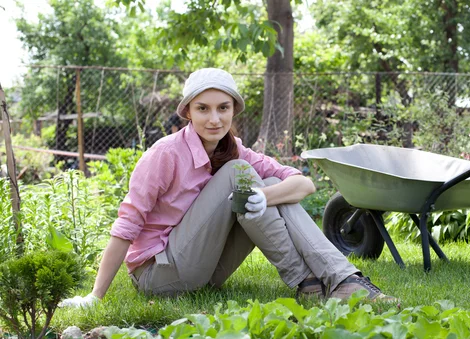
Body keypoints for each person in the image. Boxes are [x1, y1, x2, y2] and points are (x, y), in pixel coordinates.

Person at [59, 68, 396, 308]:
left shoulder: (232, 147)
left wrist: (263, 195)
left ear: (234, 110)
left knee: (267, 183)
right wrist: (95, 297)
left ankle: (326, 282)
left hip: (206, 271)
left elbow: (303, 183)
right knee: (240, 175)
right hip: (159, 274)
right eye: (202, 109)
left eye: (223, 108)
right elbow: (127, 224)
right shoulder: (165, 153)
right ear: (188, 113)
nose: (214, 119)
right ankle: (325, 280)